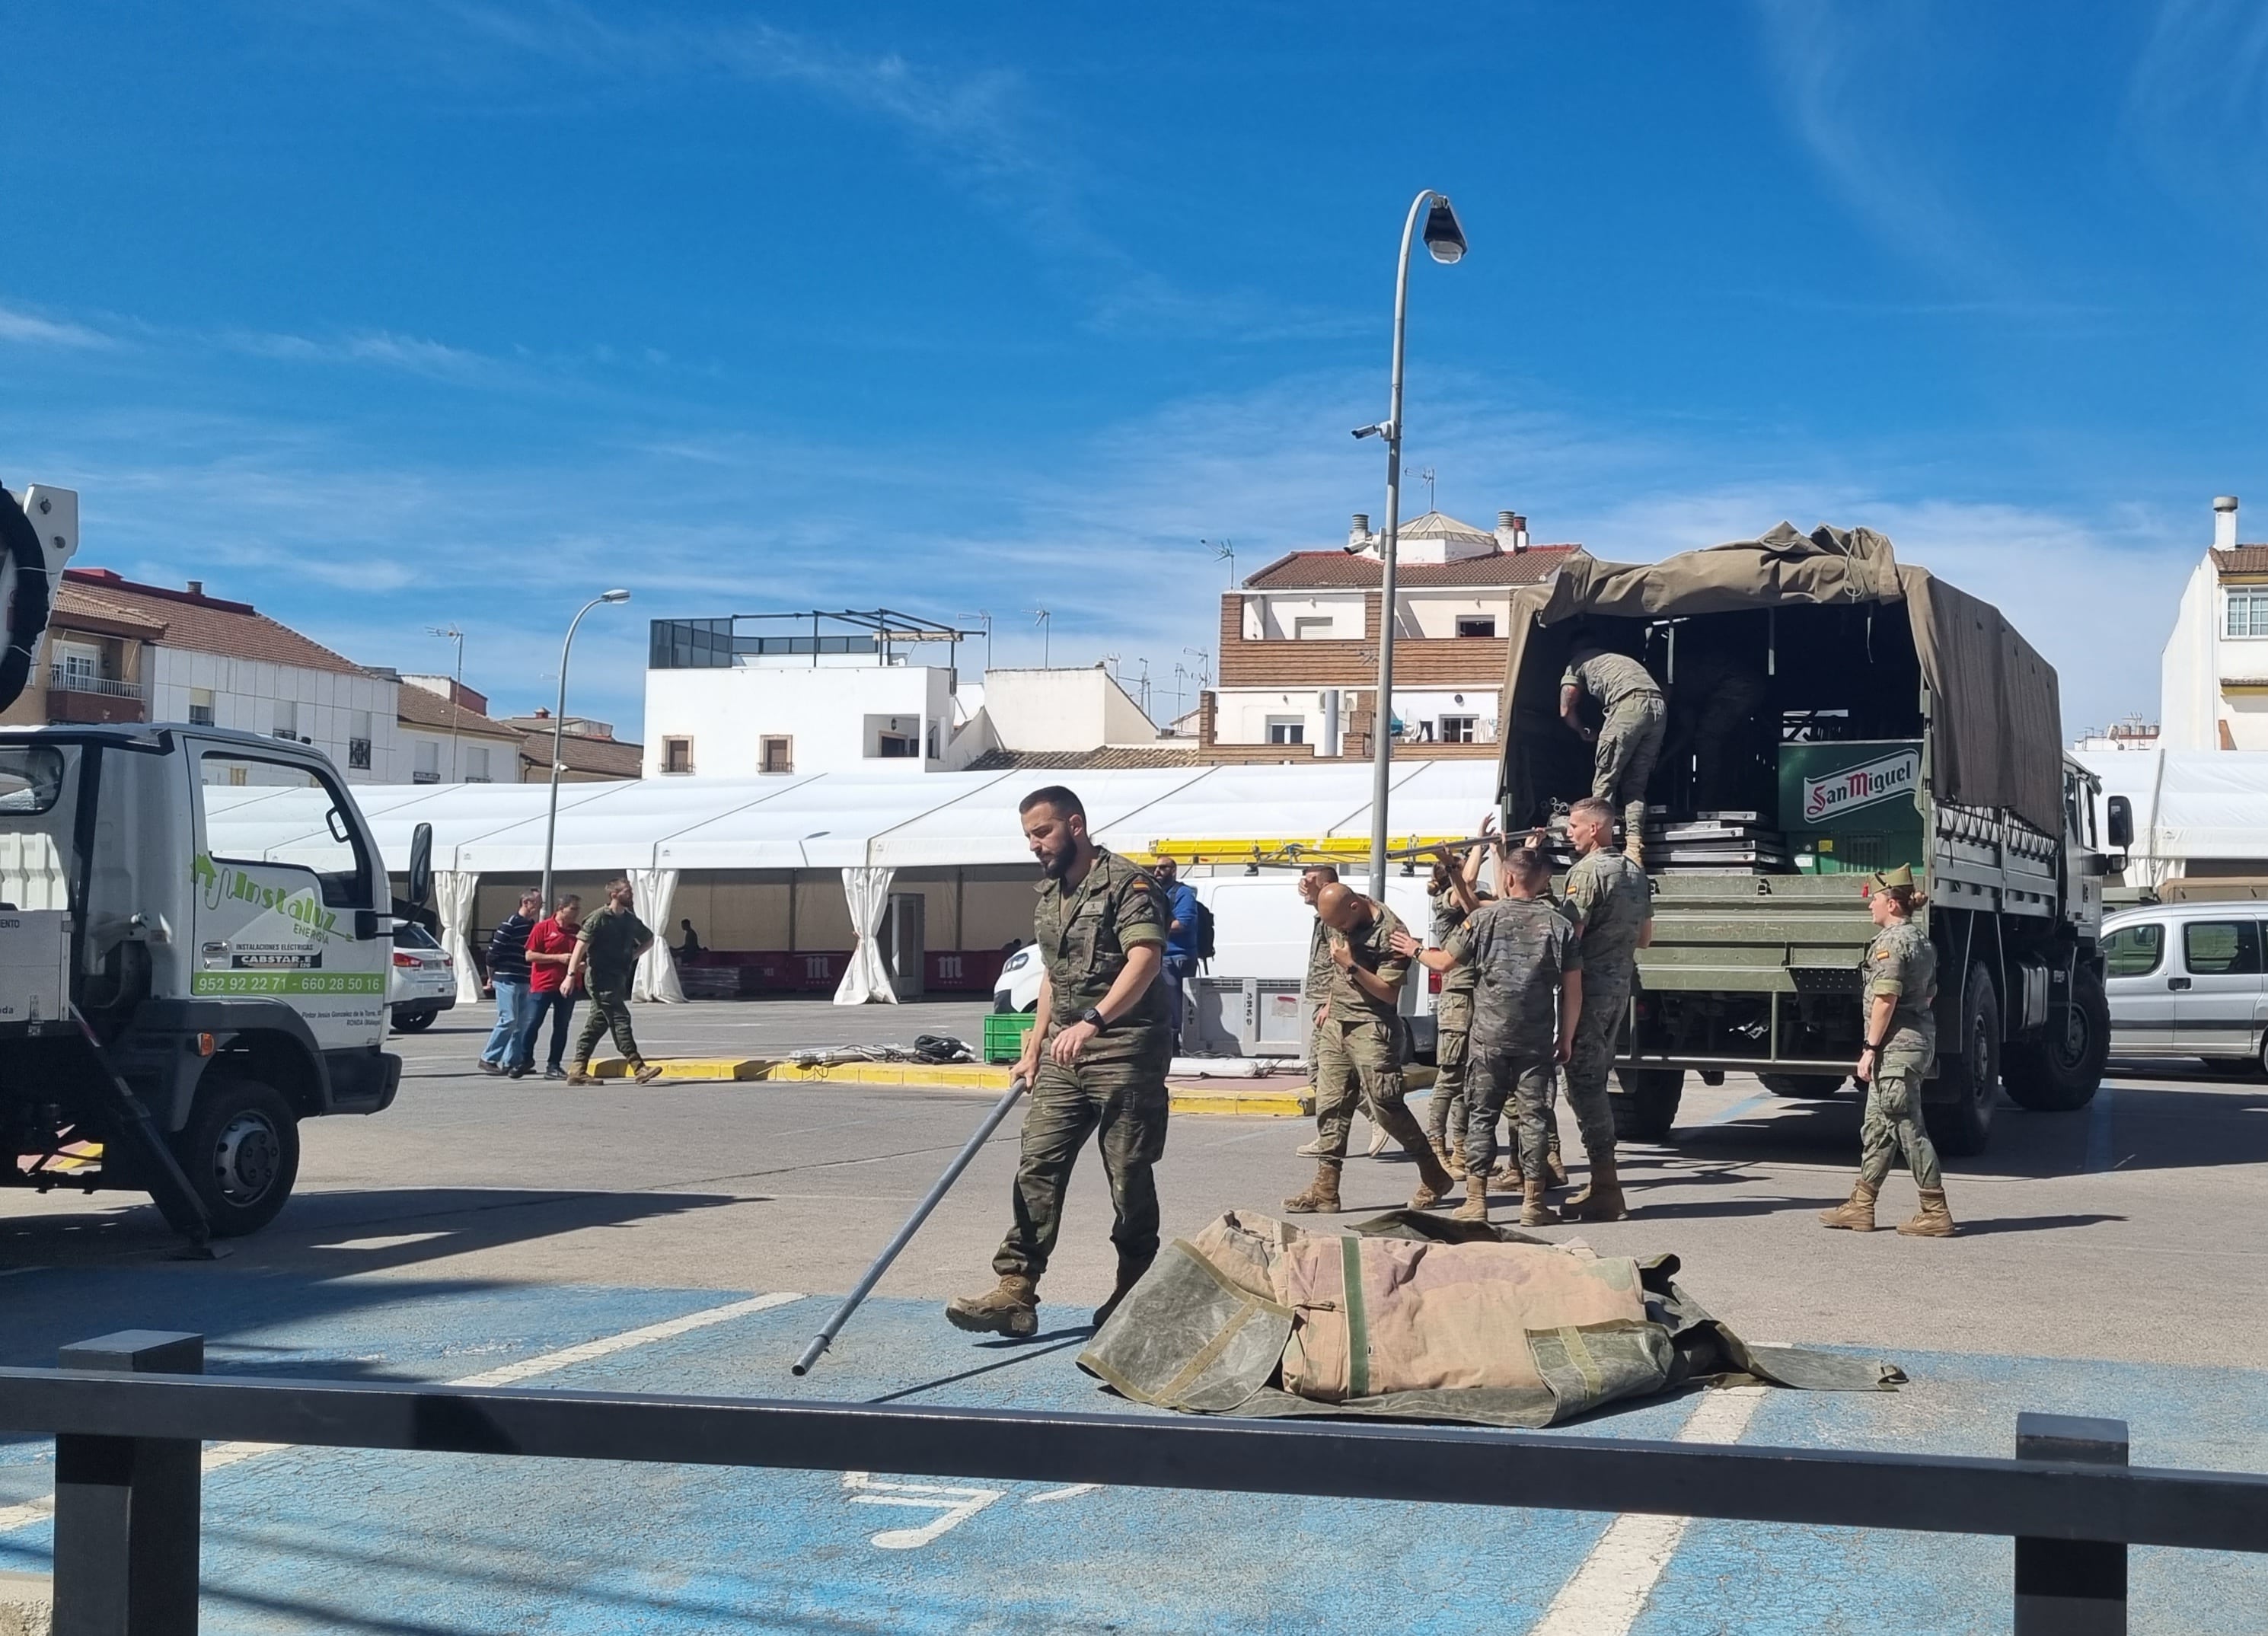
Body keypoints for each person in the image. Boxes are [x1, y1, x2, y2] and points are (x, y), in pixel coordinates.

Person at [948, 786, 1173, 1338]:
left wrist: (1093, 1021)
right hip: (1062, 1055)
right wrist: (1032, 1046)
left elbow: (1145, 959)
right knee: (1037, 1165)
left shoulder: (1128, 884)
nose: (1034, 844)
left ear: (1075, 824)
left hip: (1123, 1050)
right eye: (1028, 834)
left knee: (1128, 1175)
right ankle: (1016, 1288)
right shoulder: (1049, 894)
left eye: (1042, 831)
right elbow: (1053, 973)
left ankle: (1135, 1284)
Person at [1396, 844, 1581, 1224]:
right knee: (1535, 1119)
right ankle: (1533, 1203)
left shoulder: (1483, 920)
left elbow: (1444, 962)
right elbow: (1573, 989)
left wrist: (1414, 949)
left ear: (1509, 879)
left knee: (1482, 1115)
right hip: (1536, 1041)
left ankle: (1476, 1201)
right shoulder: (1559, 925)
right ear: (1544, 880)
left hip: (1488, 1038)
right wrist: (1566, 1039)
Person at [1281, 882, 1457, 1216]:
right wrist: (1330, 1003)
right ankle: (1325, 1189)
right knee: (1331, 1105)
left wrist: (1351, 965)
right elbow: (1335, 969)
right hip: (1337, 1025)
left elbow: (1388, 994)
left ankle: (1433, 1174)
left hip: (1372, 1028)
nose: (1338, 932)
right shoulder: (1334, 918)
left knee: (1386, 1107)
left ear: (1354, 907)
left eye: (1341, 925)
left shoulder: (1391, 932)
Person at [1820, 865, 1956, 1237]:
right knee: (1878, 1129)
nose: (1870, 907)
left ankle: (1935, 1209)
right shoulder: (1922, 941)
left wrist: (1870, 1048)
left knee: (1908, 1128)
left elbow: (1885, 998)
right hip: (1911, 1046)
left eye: (1875, 900)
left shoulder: (1892, 943)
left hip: (1896, 1048)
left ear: (1893, 905)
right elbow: (1930, 993)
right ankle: (1861, 1206)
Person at [1553, 796, 1654, 1221]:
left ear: (1595, 829)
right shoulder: (1634, 871)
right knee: (1593, 1077)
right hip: (1618, 988)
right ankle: (1601, 1181)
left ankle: (1605, 1185)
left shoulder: (1587, 872)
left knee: (1584, 1084)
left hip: (1588, 989)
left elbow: (1569, 937)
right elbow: (1645, 938)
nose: (1569, 832)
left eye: (1574, 825)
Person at [1419, 830, 1492, 1172]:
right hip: (1459, 997)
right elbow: (1466, 884)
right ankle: (1436, 1146)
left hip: (1481, 994)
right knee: (1450, 1075)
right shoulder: (1448, 899)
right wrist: (1477, 846)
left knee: (1470, 1078)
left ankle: (1461, 1147)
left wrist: (1496, 848)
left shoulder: (1477, 897)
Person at [1560, 643, 1667, 868]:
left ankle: (1601, 851)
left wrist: (1580, 729)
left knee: (1605, 782)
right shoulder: (1617, 660)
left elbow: (1566, 706)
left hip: (1628, 706)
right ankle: (1634, 848)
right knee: (1635, 787)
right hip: (1658, 708)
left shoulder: (1577, 661)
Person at [563, 877, 663, 1086]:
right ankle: (638, 1067)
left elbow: (649, 939)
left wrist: (632, 957)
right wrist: (570, 975)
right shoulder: (599, 918)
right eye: (627, 891)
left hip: (618, 977)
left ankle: (578, 1068)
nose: (632, 895)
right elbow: (580, 947)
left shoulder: (629, 919)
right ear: (614, 895)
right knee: (620, 1018)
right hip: (600, 978)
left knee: (597, 1023)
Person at [518, 894, 583, 1081]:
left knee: (561, 1026)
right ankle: (525, 1059)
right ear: (561, 908)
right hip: (543, 984)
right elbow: (530, 956)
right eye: (573, 909)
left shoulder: (577, 931)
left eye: (578, 909)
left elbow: (584, 958)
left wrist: (580, 967)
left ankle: (554, 1065)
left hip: (567, 986)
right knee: (532, 1023)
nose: (577, 913)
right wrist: (559, 958)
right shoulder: (543, 928)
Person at [479, 888, 542, 1078]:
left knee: (522, 1023)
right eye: (538, 904)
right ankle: (488, 1058)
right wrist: (491, 976)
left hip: (524, 978)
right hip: (506, 978)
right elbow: (493, 953)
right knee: (509, 1019)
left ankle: (512, 1061)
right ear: (526, 903)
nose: (539, 908)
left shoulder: (531, 926)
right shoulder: (510, 924)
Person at [1155, 856, 1201, 1054]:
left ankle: (1181, 1046)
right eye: (1155, 867)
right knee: (1165, 1003)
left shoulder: (1183, 893)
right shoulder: (1156, 892)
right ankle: (1172, 1046)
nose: (1157, 871)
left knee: (1178, 1005)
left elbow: (1182, 923)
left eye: (1163, 867)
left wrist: (1153, 926)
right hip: (1163, 956)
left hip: (1178, 958)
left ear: (1174, 871)